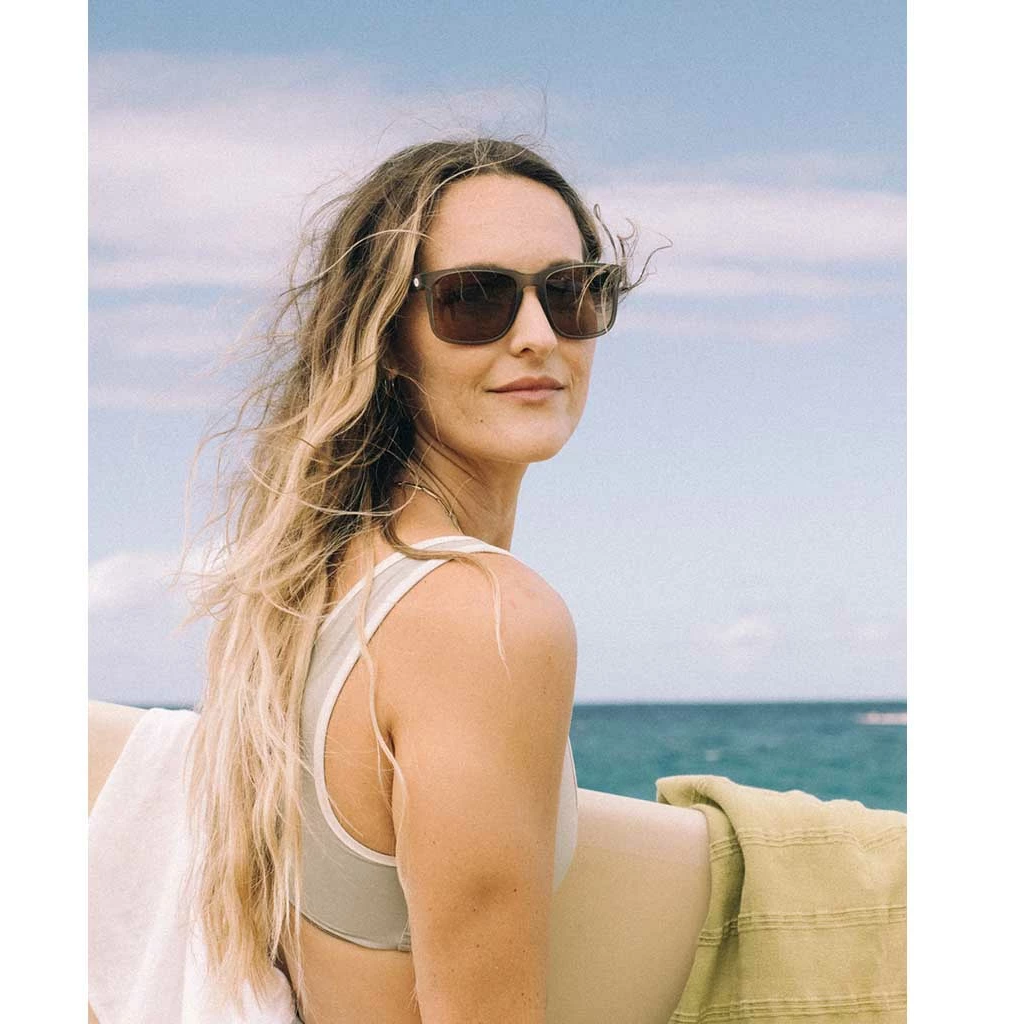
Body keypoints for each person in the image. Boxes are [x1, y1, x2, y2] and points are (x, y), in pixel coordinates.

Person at [88, 138, 713, 1024]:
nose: (538, 335)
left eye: (570, 292)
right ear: (389, 339)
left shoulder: (318, 586)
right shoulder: (482, 616)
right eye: (475, 298)